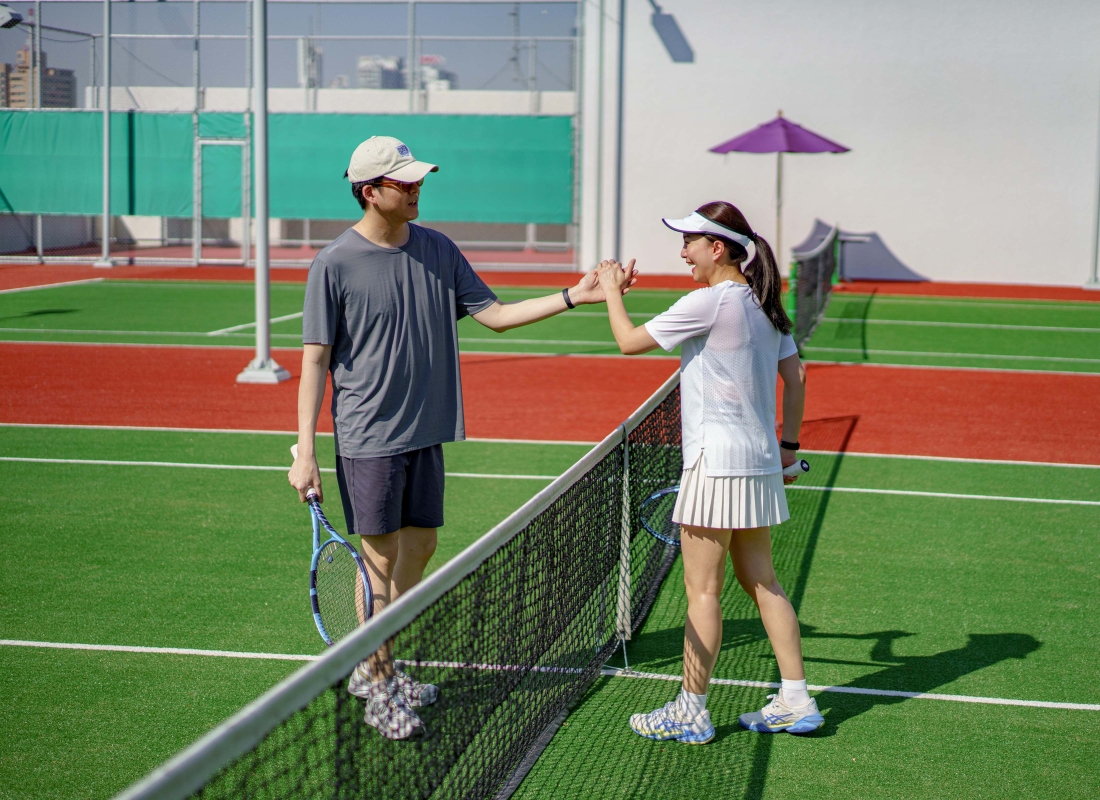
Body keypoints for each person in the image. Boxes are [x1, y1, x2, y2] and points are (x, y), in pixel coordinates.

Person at [287, 135, 625, 741]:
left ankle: (373, 661)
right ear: (370, 192)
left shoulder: (438, 249)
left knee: (420, 547)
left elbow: (495, 315)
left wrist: (577, 296)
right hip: (369, 435)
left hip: (427, 429)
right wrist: (306, 452)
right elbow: (315, 360)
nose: (417, 188)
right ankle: (379, 685)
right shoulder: (333, 263)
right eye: (405, 182)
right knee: (379, 563)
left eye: (418, 179)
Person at [594, 201, 820, 744]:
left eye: (689, 243)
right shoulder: (765, 303)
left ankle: (691, 710)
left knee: (702, 591)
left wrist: (610, 290)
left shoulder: (709, 301)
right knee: (763, 580)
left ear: (716, 248)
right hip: (758, 462)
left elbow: (627, 342)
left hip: (714, 465)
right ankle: (797, 699)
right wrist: (787, 449)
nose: (683, 253)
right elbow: (797, 377)